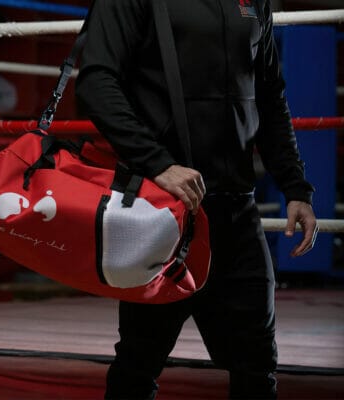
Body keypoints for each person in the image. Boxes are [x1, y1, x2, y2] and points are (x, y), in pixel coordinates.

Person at [75, 0, 318, 398]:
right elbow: (96, 81)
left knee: (257, 364)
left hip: (237, 209)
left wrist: (295, 186)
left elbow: (269, 94)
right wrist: (157, 163)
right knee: (139, 362)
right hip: (162, 210)